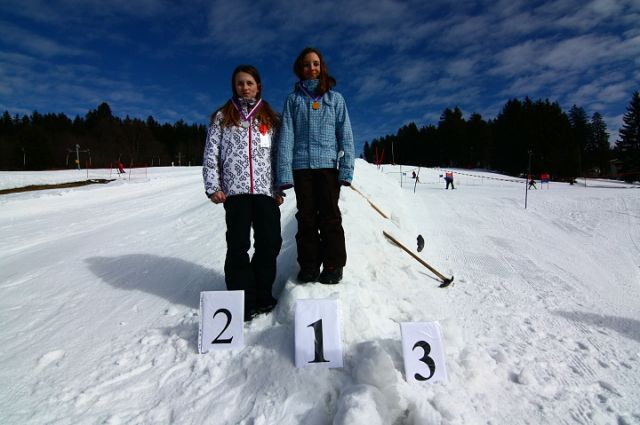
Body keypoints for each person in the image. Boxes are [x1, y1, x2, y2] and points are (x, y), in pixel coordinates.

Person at [203, 65, 283, 322]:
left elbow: (278, 155)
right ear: (234, 87)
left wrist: (279, 187)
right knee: (238, 246)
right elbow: (211, 153)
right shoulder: (222, 116)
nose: (245, 87)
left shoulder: (270, 118)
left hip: (265, 191)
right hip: (235, 192)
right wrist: (213, 186)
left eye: (249, 83)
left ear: (258, 86)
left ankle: (262, 294)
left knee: (269, 242)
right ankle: (242, 300)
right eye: (240, 83)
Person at [276, 47, 355, 285]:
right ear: (299, 69)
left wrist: (346, 168)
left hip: (328, 168)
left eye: (316, 64)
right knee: (307, 218)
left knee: (330, 217)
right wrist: (283, 171)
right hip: (302, 169)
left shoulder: (335, 99)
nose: (312, 68)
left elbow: (346, 135)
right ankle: (309, 265)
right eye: (307, 64)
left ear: (322, 67)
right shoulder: (293, 100)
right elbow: (286, 135)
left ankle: (333, 265)